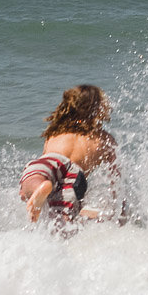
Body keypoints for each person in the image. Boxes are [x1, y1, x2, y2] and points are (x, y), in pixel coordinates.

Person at [19, 85, 117, 223]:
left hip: (50, 161)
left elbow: (48, 162)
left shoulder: (54, 133)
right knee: (62, 225)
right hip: (74, 175)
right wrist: (119, 211)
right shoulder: (104, 139)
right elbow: (116, 180)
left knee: (35, 177)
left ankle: (37, 187)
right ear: (98, 110)